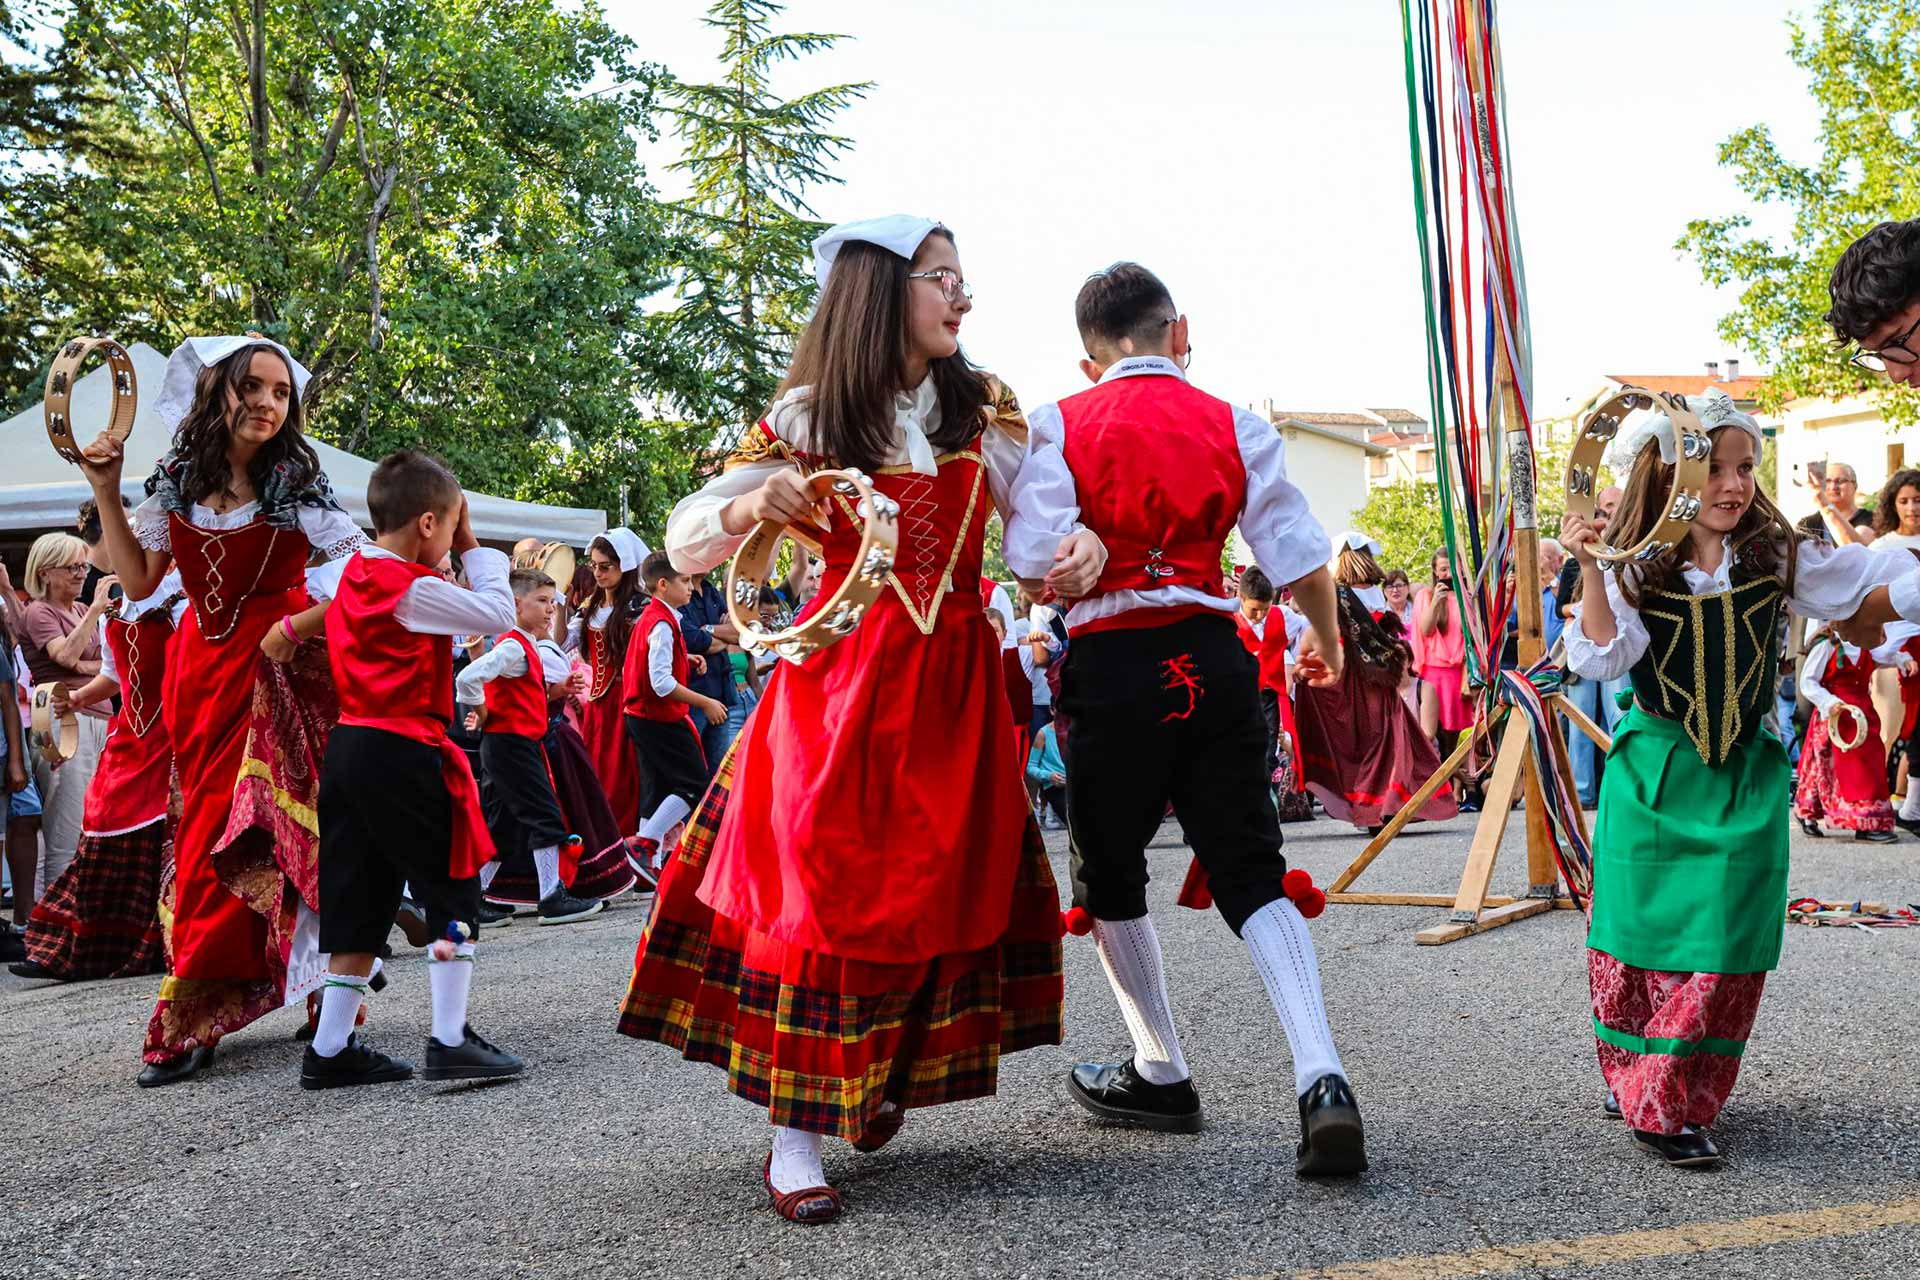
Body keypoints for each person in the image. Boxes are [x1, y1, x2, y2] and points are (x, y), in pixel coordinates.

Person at [620, 215, 1062, 1224]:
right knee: (820, 887)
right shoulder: (811, 414)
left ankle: (879, 1073)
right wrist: (747, 509)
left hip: (950, 686)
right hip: (839, 688)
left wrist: (1064, 560)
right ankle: (794, 1132)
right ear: (878, 291)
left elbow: (1034, 538)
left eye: (963, 278)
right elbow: (687, 539)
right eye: (942, 277)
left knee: (935, 885)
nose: (962, 295)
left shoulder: (981, 411)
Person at [1004, 260, 1365, 1176]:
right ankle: (1320, 1073)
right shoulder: (1235, 423)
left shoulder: (1060, 420)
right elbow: (1298, 552)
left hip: (1115, 666)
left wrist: (1071, 561)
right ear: (1178, 330)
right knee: (1252, 866)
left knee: (1111, 871)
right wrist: (1322, 640)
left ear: (1091, 358)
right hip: (1213, 658)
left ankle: (1161, 1068)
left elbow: (1031, 557)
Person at [1560, 388, 1920, 1167]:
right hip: (1658, 773)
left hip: (1744, 779)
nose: (1732, 483)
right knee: (1644, 940)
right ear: (1667, 474)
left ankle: (1666, 1091)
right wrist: (1589, 565)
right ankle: (1649, 1089)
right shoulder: (1635, 570)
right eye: (1714, 466)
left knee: (1727, 940)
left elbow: (1862, 579)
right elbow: (1602, 655)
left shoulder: (1777, 559)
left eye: (1745, 466)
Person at [76, 335, 362, 1087]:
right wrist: (106, 489)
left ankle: (321, 1007)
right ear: (217, 390)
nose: (268, 403)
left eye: (280, 392)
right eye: (253, 388)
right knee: (207, 832)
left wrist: (299, 626)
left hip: (277, 669)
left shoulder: (296, 480)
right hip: (199, 676)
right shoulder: (175, 476)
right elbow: (138, 588)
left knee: (287, 824)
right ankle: (201, 999)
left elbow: (361, 575)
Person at [304, 450, 524, 1088]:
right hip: (402, 747)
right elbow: (499, 617)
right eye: (452, 523)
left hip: (350, 748)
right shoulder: (409, 587)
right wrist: (476, 546)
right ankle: (450, 1037)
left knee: (361, 895)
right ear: (430, 524)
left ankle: (330, 1046)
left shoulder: (349, 576)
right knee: (451, 887)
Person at [13, 572, 183, 981]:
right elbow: (114, 675)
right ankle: (80, 948)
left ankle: (166, 941)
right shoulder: (115, 609)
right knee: (101, 820)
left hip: (178, 734)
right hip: (132, 735)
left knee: (167, 837)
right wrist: (76, 698)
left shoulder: (184, 598)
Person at [457, 569, 608, 925]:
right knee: (544, 814)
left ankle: (473, 899)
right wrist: (481, 711)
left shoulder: (522, 645)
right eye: (541, 601)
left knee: (502, 825)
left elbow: (517, 695)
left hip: (508, 743)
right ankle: (551, 896)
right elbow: (467, 677)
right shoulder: (513, 645)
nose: (549, 610)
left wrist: (489, 712)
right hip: (512, 745)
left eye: (551, 603)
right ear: (515, 604)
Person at [1294, 542, 1459, 834]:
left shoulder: (1345, 593)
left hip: (1361, 680)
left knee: (1376, 743)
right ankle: (1382, 806)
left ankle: (1380, 806)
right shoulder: (1357, 594)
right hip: (1370, 681)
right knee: (1382, 742)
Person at [19, 531, 115, 907]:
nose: (80, 573)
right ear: (45, 573)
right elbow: (64, 656)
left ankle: (69, 909)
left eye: (82, 565)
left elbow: (103, 664)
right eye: (72, 567)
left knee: (86, 817)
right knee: (65, 819)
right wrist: (94, 612)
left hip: (89, 711)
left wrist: (81, 663)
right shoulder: (40, 611)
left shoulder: (74, 611)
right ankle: (56, 916)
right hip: (56, 713)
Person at [620, 552, 720, 883]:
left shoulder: (656, 618)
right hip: (659, 715)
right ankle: (645, 845)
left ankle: (645, 868)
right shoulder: (661, 623)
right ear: (663, 585)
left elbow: (652, 665)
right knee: (694, 784)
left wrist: (684, 658)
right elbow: (661, 684)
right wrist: (705, 701)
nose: (692, 588)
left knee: (656, 787)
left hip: (641, 714)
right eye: (685, 581)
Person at [569, 529, 650, 835]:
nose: (598, 573)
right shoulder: (589, 606)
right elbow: (563, 643)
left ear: (623, 566)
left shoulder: (639, 607)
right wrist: (567, 603)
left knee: (625, 776)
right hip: (598, 705)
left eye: (605, 566)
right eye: (594, 566)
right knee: (597, 773)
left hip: (629, 702)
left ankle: (628, 842)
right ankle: (601, 841)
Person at [1793, 625, 1898, 842]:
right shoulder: (1827, 646)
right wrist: (1829, 702)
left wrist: (1902, 658)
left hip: (1863, 715)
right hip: (1836, 714)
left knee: (1868, 765)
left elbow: (1886, 656)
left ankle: (1869, 821)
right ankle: (1815, 813)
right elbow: (1808, 682)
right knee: (1825, 767)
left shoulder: (1867, 644)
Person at [1558, 487, 1627, 807]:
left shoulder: (1628, 550)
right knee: (1580, 720)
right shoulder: (1578, 558)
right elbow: (1562, 607)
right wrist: (1585, 608)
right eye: (1605, 507)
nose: (1609, 513)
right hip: (1584, 644)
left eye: (1615, 506)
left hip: (1616, 640)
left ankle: (1621, 786)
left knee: (1619, 714)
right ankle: (1583, 791)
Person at [1411, 548, 1474, 805]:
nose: (1448, 574)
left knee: (1458, 733)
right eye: (1443, 569)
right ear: (1435, 571)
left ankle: (1459, 789)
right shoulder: (1426, 595)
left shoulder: (1468, 596)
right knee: (1432, 732)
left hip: (1459, 673)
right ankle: (1438, 789)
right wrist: (1438, 600)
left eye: (1453, 568)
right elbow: (1425, 630)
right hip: (1433, 671)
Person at [677, 570, 740, 780]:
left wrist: (709, 629)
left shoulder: (711, 591)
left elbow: (739, 633)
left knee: (719, 776)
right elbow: (693, 640)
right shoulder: (679, 593)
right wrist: (723, 636)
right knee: (691, 776)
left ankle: (713, 815)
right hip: (692, 698)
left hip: (721, 694)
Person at [1795, 462, 1876, 546]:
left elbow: (1857, 550)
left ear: (1854, 485)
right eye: (1827, 481)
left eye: (1840, 481)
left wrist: (1824, 505)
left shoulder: (1874, 520)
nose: (1833, 487)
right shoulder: (1808, 524)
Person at [1026, 719, 1067, 828]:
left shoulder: (1079, 729)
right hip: (1055, 786)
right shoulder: (1043, 733)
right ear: (1052, 711)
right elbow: (1030, 766)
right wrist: (1049, 775)